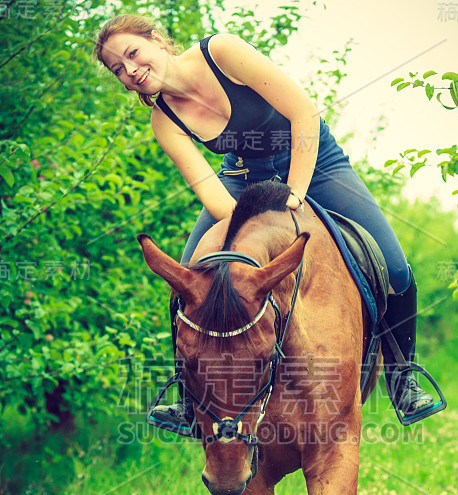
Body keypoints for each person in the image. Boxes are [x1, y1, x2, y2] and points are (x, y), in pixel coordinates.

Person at [94, 14, 436, 433]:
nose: (130, 70)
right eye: (118, 70)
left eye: (132, 54)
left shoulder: (221, 52)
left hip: (312, 157)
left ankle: (403, 378)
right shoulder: (163, 121)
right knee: (188, 279)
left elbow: (304, 115)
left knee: (395, 266)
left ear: (157, 41)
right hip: (242, 178)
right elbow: (216, 199)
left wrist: (295, 194)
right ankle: (187, 398)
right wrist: (261, 223)